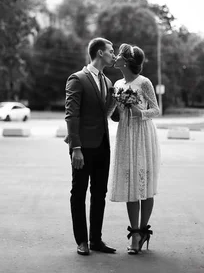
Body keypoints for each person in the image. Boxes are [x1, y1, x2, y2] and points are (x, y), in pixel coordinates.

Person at [64, 37, 118, 256]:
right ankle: (82, 241)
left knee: (99, 193)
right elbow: (71, 114)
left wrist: (123, 104)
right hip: (83, 148)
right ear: (99, 53)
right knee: (79, 192)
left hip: (103, 146)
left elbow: (111, 116)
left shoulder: (108, 82)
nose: (114, 55)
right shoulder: (77, 79)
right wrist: (75, 147)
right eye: (111, 51)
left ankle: (96, 239)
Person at [109, 43, 161, 255]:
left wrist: (141, 113)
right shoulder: (117, 83)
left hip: (142, 134)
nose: (116, 57)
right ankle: (136, 234)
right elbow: (113, 112)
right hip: (125, 135)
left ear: (126, 62)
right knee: (131, 184)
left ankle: (142, 229)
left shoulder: (144, 82)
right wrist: (114, 111)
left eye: (119, 55)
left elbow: (156, 109)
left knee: (144, 183)